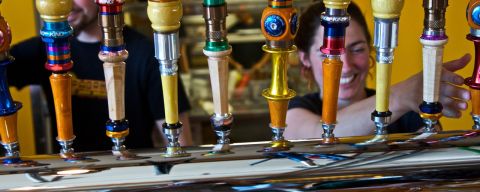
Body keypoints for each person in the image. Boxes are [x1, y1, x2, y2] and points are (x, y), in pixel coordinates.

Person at [7, 0, 192, 152]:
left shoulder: (145, 53)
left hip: (131, 174)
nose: (65, 4)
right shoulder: (45, 48)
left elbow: (180, 143)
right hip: (69, 175)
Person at [285, 2, 471, 139]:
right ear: (305, 58)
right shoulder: (297, 111)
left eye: (357, 49)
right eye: (329, 54)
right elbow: (317, 136)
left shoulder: (409, 113)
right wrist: (400, 95)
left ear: (370, 49)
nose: (346, 66)